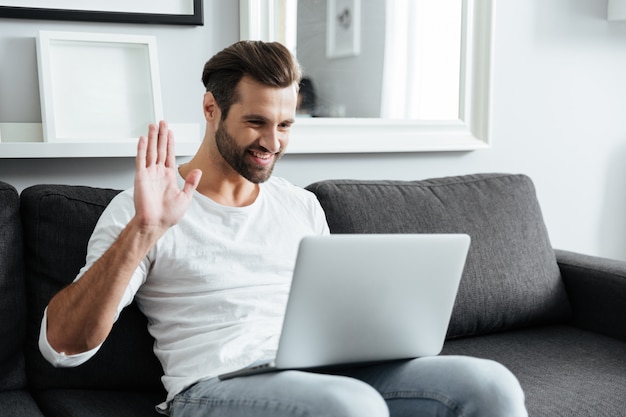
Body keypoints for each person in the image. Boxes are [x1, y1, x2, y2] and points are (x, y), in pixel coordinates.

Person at [39, 40, 528, 417]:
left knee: (491, 385)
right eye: (256, 122)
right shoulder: (141, 209)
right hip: (217, 386)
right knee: (350, 407)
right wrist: (145, 230)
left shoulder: (302, 206)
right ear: (211, 109)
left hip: (327, 373)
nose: (272, 142)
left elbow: (336, 317)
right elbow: (62, 347)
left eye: (286, 125)